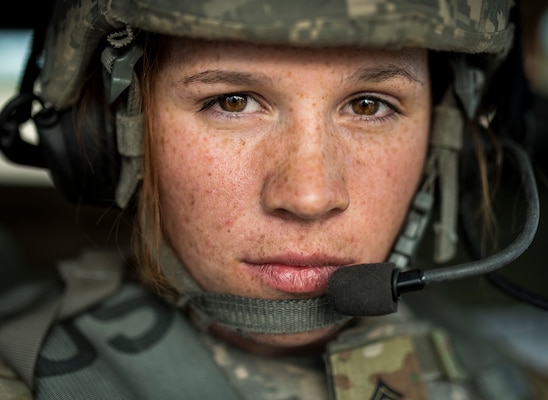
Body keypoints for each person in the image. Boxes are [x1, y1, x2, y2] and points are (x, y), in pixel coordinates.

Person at [0, 0, 544, 399]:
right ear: (110, 136)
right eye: (232, 102)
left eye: (370, 105)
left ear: (442, 140)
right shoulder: (25, 372)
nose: (308, 197)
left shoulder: (495, 375)